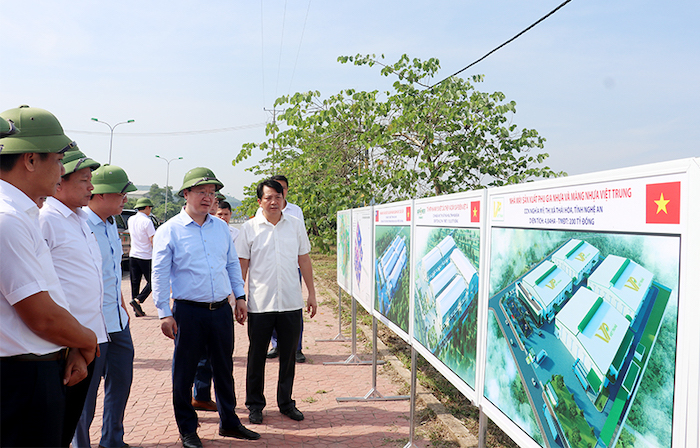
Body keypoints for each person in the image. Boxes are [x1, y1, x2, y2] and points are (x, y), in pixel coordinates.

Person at [0, 105, 98, 447]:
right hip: (21, 378)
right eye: (57, 159)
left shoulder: (20, 213)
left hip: (34, 369)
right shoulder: (8, 219)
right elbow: (40, 315)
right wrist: (86, 341)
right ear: (29, 160)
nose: (62, 168)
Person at [152, 167, 260, 448]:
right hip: (188, 312)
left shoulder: (221, 228)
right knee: (184, 372)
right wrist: (164, 312)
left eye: (212, 194)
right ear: (185, 194)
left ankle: (230, 423)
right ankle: (188, 428)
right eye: (201, 192)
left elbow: (231, 264)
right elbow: (160, 274)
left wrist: (240, 297)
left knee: (224, 368)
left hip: (221, 310)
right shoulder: (170, 231)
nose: (207, 198)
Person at [38, 147, 108, 446]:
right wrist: (74, 344)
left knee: (69, 422)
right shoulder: (47, 220)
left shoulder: (80, 220)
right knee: (55, 429)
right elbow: (48, 288)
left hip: (88, 338)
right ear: (60, 182)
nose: (91, 187)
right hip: (65, 345)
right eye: (84, 180)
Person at [236, 178, 317, 425]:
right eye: (268, 197)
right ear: (259, 201)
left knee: (289, 355)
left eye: (278, 197)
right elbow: (242, 265)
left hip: (291, 302)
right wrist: (239, 298)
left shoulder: (295, 225)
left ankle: (286, 402)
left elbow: (304, 260)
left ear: (284, 200)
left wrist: (311, 294)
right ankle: (255, 405)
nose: (274, 202)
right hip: (260, 305)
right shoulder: (249, 228)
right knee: (256, 355)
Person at [76, 164, 138, 448]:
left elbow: (112, 274)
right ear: (100, 195)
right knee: (85, 395)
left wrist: (123, 305)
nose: (126, 200)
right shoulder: (79, 225)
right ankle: (81, 444)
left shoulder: (112, 224)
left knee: (121, 384)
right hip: (90, 326)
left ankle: (113, 440)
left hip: (117, 323)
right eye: (122, 194)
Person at [191, 200, 239, 412]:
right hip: (195, 305)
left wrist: (240, 296)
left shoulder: (229, 232)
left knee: (222, 358)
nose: (220, 214)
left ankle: (227, 412)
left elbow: (235, 264)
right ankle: (199, 396)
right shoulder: (179, 229)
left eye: (223, 211)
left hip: (223, 299)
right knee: (199, 355)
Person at [262, 175, 307, 362]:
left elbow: (302, 246)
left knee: (293, 309)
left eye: (281, 190)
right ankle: (276, 345)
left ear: (286, 191)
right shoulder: (262, 212)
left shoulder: (296, 212)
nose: (276, 196)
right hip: (270, 269)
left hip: (291, 268)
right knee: (272, 307)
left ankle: (296, 347)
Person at [128, 197, 156, 317]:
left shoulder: (131, 219)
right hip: (146, 256)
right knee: (153, 282)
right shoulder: (147, 221)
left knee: (135, 282)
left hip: (133, 254)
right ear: (147, 207)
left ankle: (136, 310)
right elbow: (152, 240)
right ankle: (138, 300)